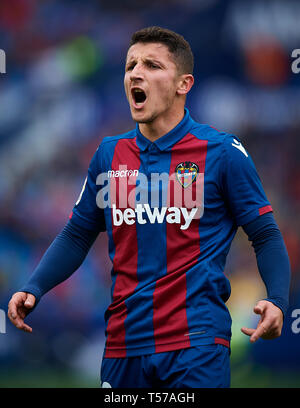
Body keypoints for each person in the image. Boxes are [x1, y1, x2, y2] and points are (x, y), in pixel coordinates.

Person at [8, 26, 290, 388]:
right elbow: (77, 233)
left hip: (196, 346)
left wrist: (278, 300)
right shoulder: (108, 154)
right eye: (131, 66)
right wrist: (35, 286)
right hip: (123, 347)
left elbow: (265, 234)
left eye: (152, 65)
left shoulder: (221, 152)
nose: (136, 73)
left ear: (183, 84)